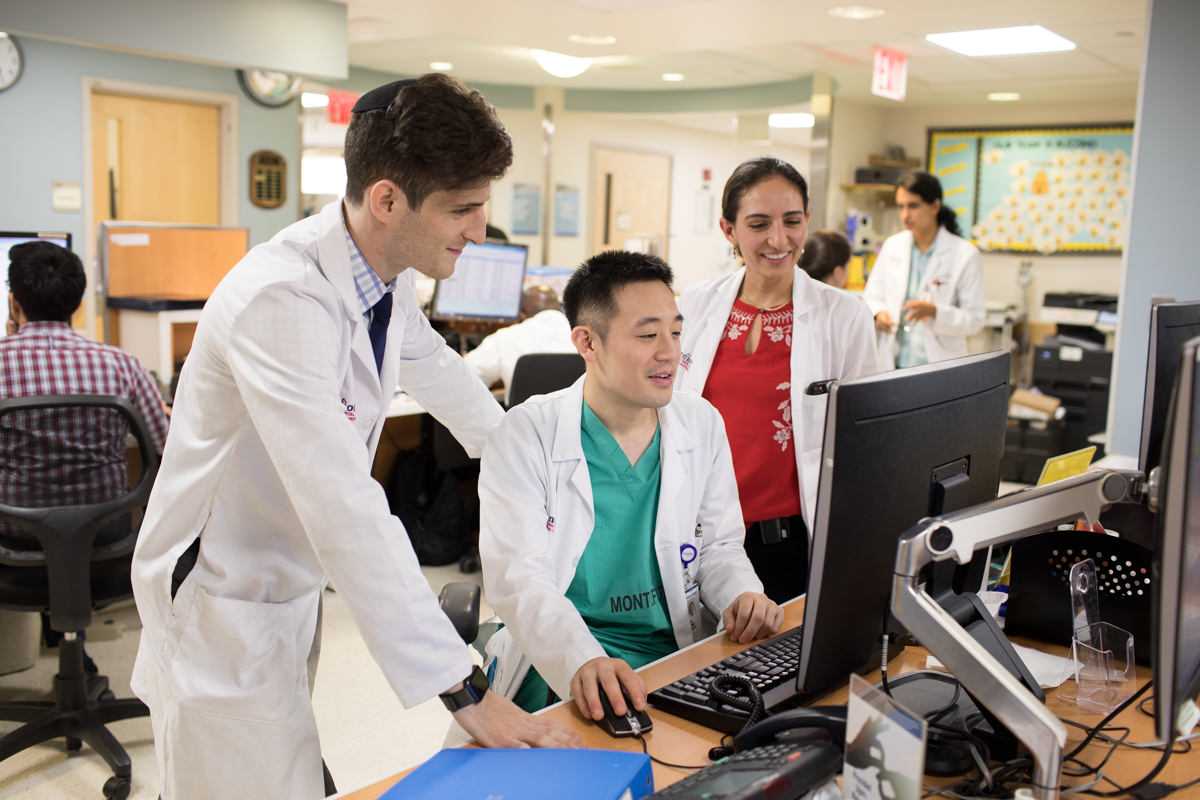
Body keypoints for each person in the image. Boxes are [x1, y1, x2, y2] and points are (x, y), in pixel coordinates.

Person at [129, 74, 577, 800]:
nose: (479, 230)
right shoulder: (280, 299)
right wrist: (464, 689)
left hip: (279, 585)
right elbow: (345, 505)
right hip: (221, 597)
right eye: (462, 209)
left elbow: (444, 376)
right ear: (388, 200)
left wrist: (542, 472)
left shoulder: (383, 274)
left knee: (277, 774)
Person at [479, 251, 782, 719]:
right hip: (566, 661)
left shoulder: (700, 422)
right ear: (587, 342)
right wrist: (582, 660)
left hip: (676, 657)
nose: (669, 352)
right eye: (647, 335)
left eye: (675, 333)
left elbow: (719, 546)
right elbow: (519, 577)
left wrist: (741, 596)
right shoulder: (526, 434)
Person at [676, 158, 879, 603]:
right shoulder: (695, 305)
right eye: (758, 224)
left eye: (792, 221)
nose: (778, 239)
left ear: (807, 220)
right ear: (728, 229)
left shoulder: (844, 316)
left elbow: (866, 445)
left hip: (787, 544)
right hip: (697, 536)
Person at [1, 242, 170, 666]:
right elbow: (167, 447)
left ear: (14, 303)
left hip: (13, 552)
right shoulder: (122, 365)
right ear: (77, 304)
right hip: (107, 547)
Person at [863, 171, 985, 370]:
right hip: (893, 364)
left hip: (939, 366)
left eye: (913, 206)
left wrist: (936, 312)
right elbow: (871, 296)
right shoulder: (892, 246)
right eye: (901, 206)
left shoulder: (965, 254)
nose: (905, 215)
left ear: (935, 206)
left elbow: (975, 320)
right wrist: (878, 313)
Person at [464, 284, 575, 403]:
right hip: (575, 414)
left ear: (522, 313)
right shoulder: (583, 336)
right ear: (561, 308)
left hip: (523, 413)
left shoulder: (505, 336)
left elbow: (466, 376)